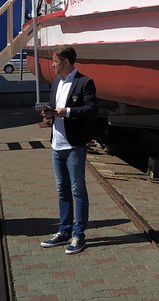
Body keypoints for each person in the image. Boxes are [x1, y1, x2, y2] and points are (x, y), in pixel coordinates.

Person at [39, 45, 97, 255]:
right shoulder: (56, 82)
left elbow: (92, 108)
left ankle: (78, 234)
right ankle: (64, 231)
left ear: (65, 62)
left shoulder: (84, 82)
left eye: (55, 61)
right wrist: (49, 114)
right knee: (62, 190)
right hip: (57, 144)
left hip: (74, 146)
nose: (52, 65)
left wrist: (69, 112)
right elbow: (54, 106)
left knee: (77, 190)